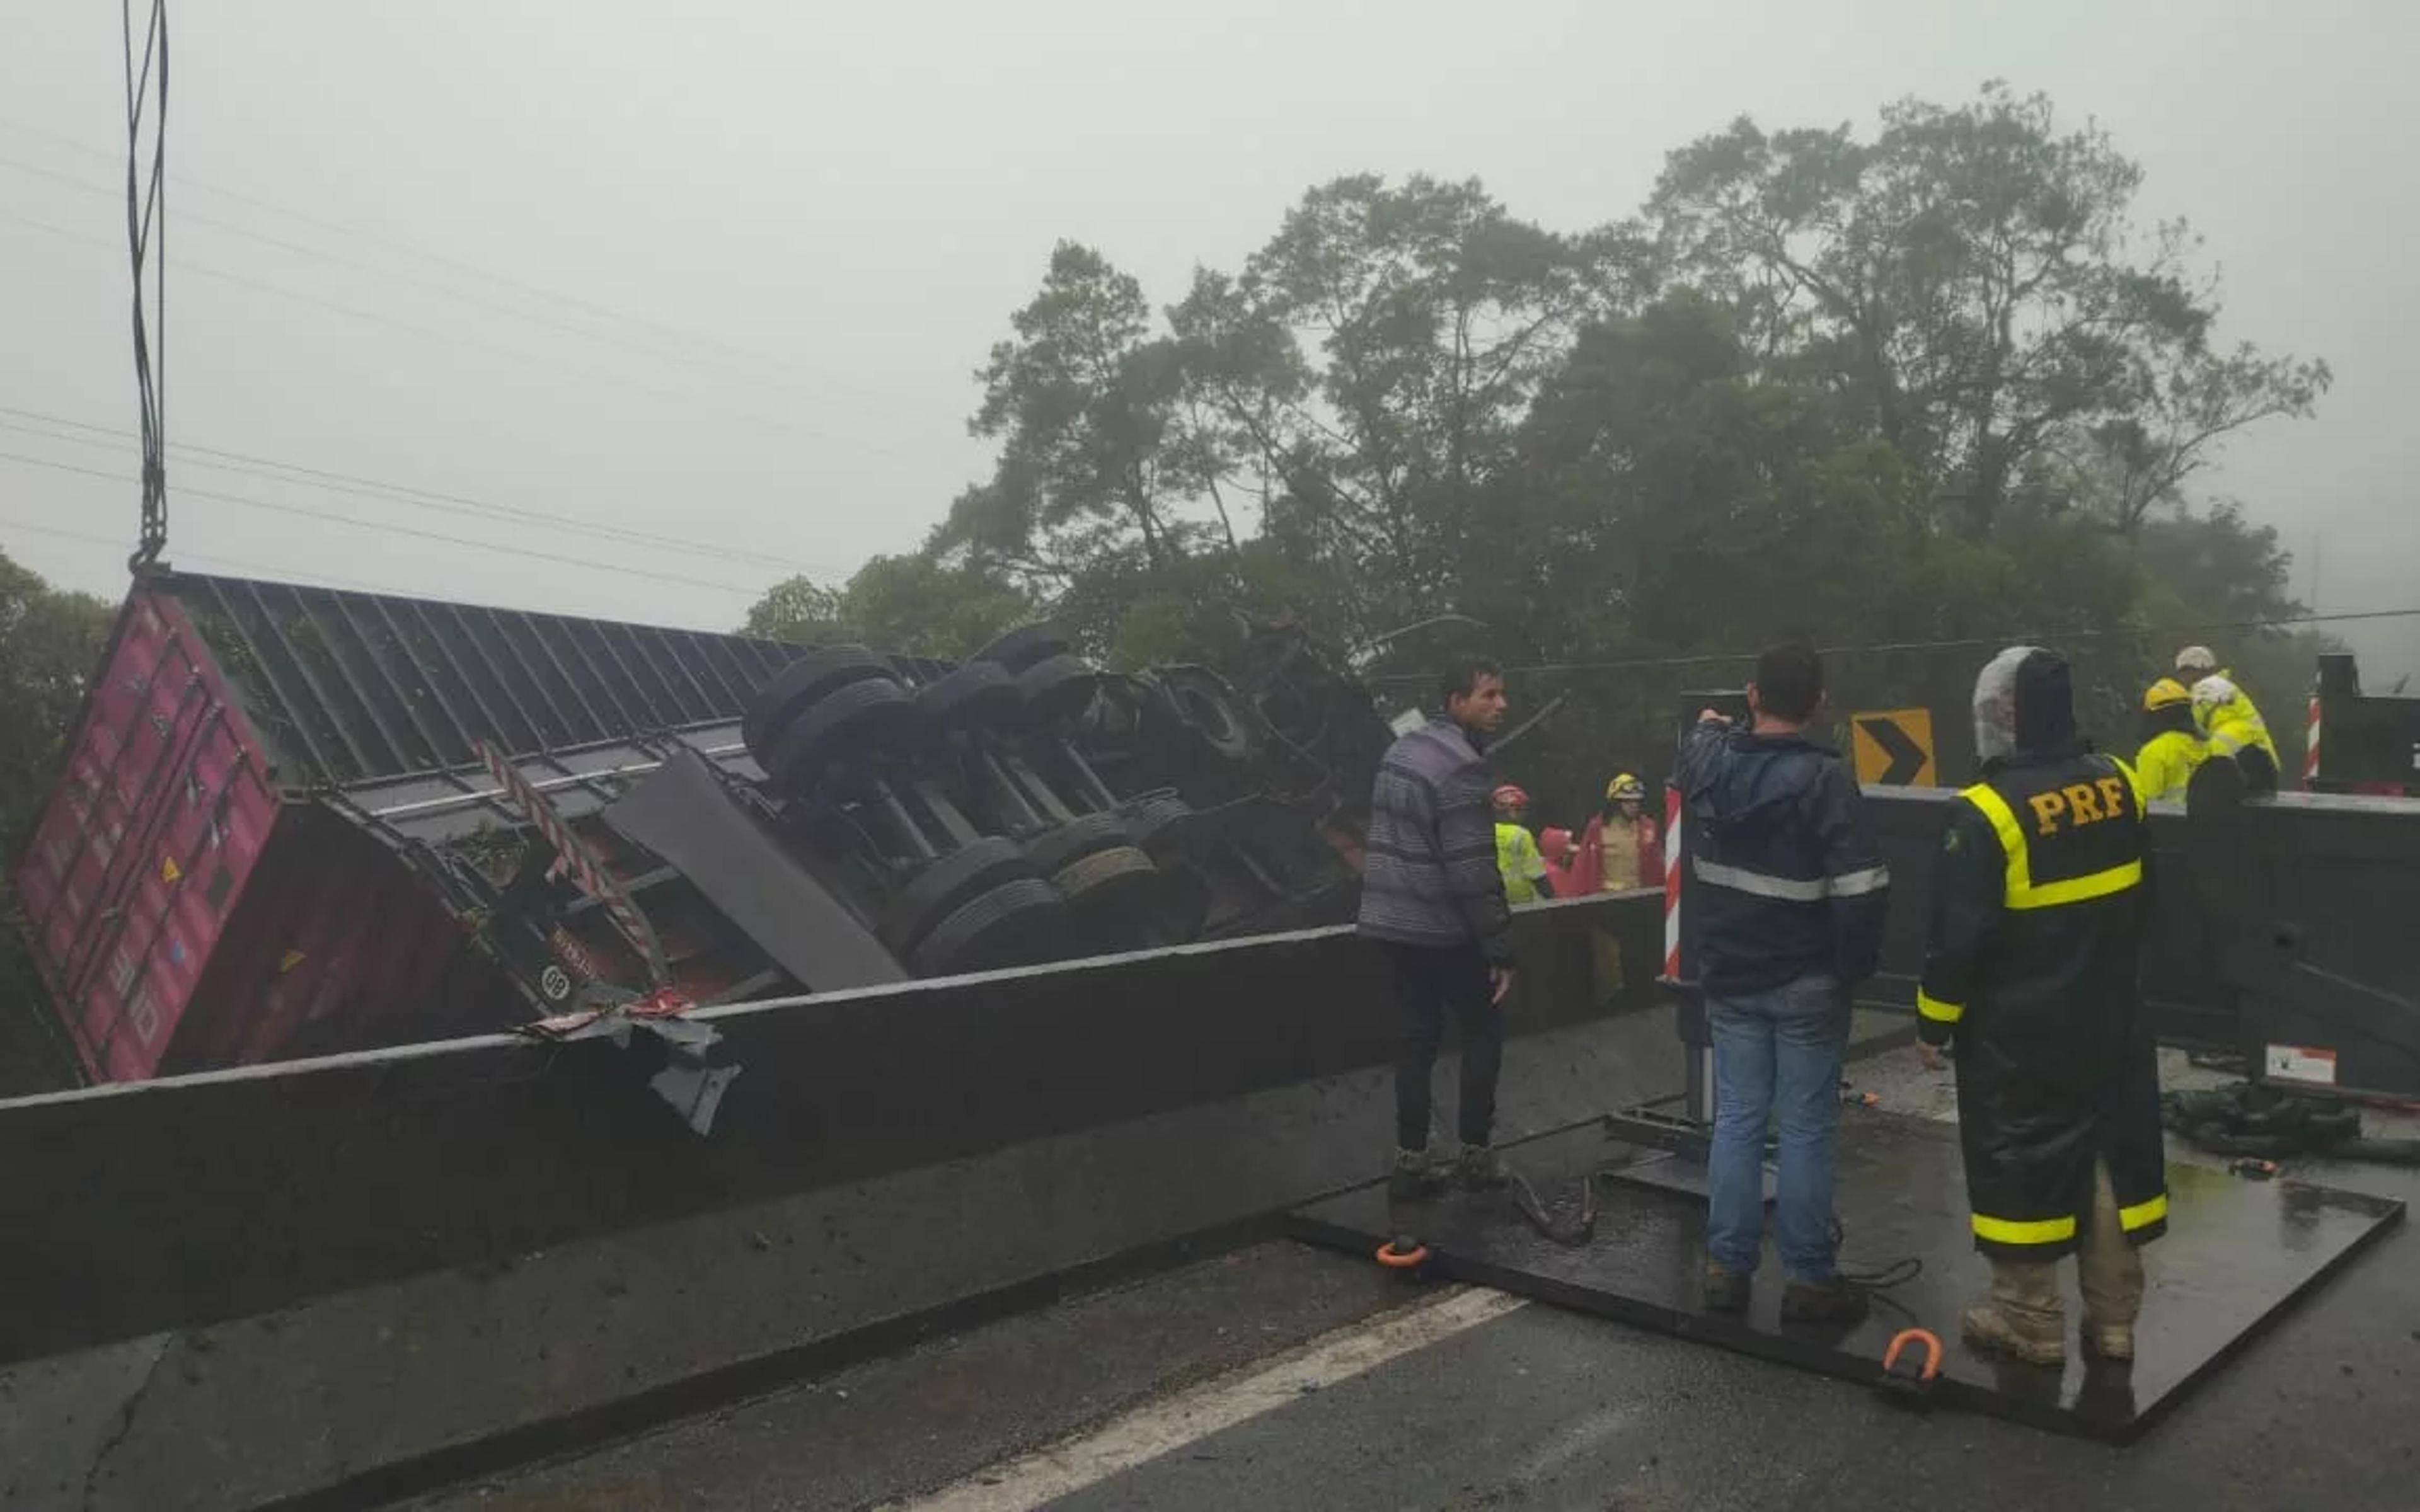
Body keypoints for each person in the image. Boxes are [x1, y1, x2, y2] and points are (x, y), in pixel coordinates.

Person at [1916, 646, 2166, 1368]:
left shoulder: (1987, 812)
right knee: (2106, 1158)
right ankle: (2115, 1321)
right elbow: (2145, 897)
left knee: (2022, 1158)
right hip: (2111, 1016)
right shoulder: (2119, 782)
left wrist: (1934, 1023)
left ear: (2008, 715)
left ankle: (2030, 1319)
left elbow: (1956, 941)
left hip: (2019, 1035)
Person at [1676, 643, 1889, 1322]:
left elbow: (1697, 746)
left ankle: (1725, 1270)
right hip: (1806, 982)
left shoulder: (1712, 764)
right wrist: (1849, 969)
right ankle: (1807, 1280)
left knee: (1737, 1119)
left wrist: (1715, 724)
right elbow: (1861, 891)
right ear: (1819, 705)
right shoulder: (1825, 781)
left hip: (1731, 978)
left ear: (1752, 696)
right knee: (1803, 1127)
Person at [1358, 656, 1516, 1198]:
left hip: (1390, 926)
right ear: (1456, 702)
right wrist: (1499, 945)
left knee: (1416, 1041)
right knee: (1483, 1033)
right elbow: (1472, 867)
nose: (1501, 706)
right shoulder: (1462, 768)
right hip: (1444, 932)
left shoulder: (1400, 751)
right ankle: (1475, 1155)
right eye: (1488, 696)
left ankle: (1411, 1161)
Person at [1573, 772, 1666, 999]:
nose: (1634, 806)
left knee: (1641, 954)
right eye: (1628, 801)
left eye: (1637, 801)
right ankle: (1611, 1000)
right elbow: (1584, 864)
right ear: (1615, 803)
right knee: (1608, 959)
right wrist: (1582, 900)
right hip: (1608, 901)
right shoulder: (1597, 828)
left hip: (1640, 898)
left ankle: (1641, 994)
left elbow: (1658, 862)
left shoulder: (1647, 827)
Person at [2175, 645, 2281, 794]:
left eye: (2184, 673)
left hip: (2244, 770)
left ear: (2196, 670)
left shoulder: (2205, 689)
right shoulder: (2225, 687)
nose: (2182, 679)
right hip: (2264, 768)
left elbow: (2192, 724)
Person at [2134, 678, 2208, 803]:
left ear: (2154, 715)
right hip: (2208, 821)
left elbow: (2148, 805)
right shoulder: (2209, 747)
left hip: (2171, 822)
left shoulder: (2153, 752)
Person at [1491, 784, 1552, 905]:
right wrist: (1554, 900)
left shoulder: (1484, 833)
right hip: (1523, 903)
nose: (1525, 815)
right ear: (1512, 811)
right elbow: (1537, 874)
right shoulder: (1521, 835)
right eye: (1523, 810)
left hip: (1497, 902)